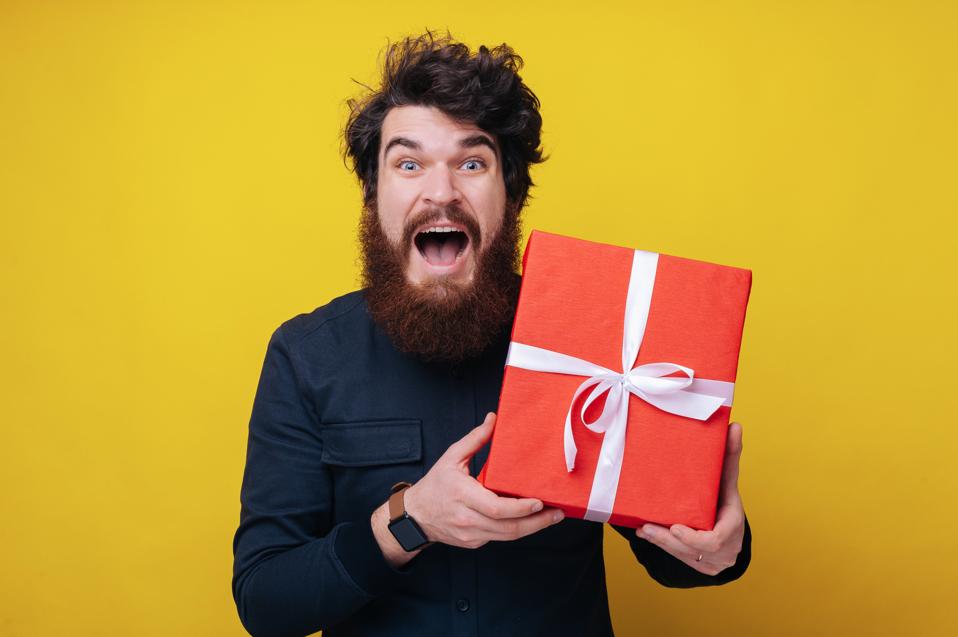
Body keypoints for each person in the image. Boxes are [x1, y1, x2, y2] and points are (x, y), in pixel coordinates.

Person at [231, 30, 751, 637]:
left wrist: (717, 542)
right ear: (375, 198)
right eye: (408, 163)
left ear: (511, 193)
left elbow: (686, 563)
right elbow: (266, 602)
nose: (442, 190)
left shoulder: (599, 334)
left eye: (472, 163)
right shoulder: (306, 355)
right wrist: (411, 520)